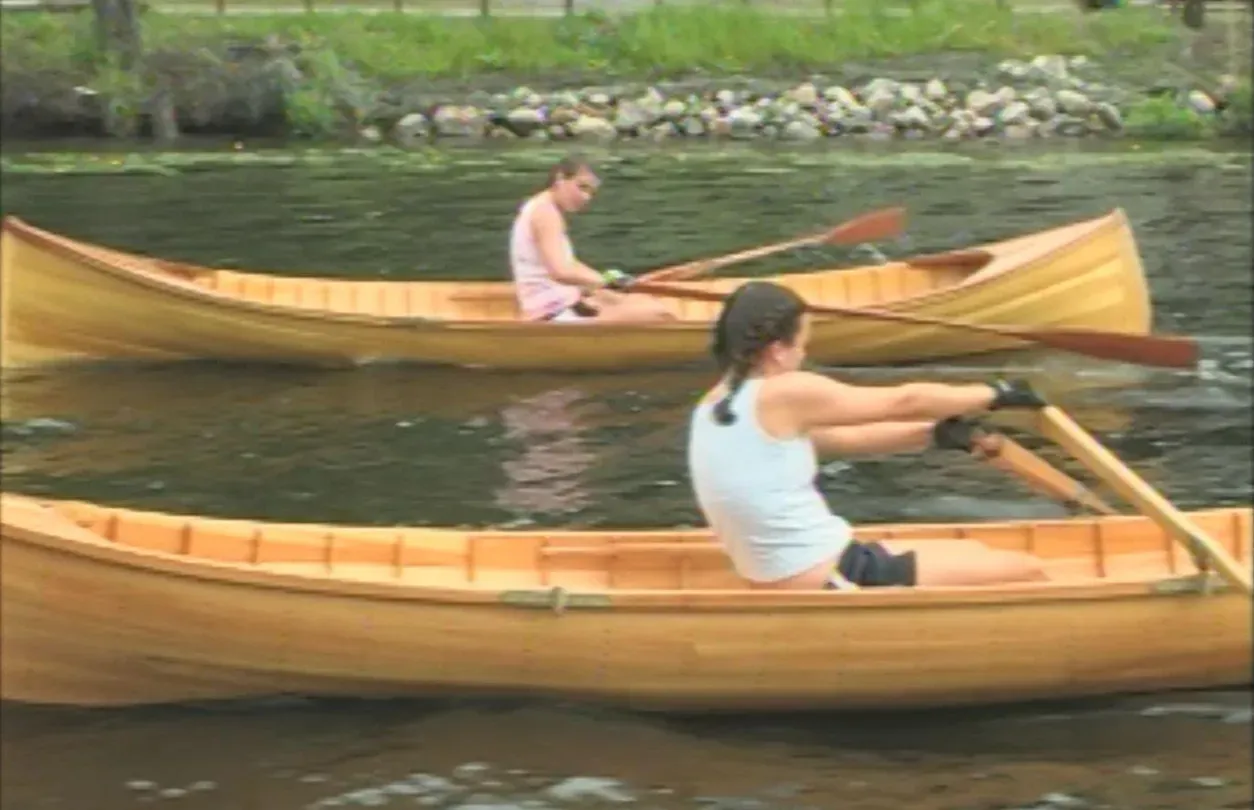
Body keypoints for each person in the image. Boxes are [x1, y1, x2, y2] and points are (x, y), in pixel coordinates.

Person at [686, 280, 1053, 591]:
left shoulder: (712, 407)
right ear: (777, 350)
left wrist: (933, 434)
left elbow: (845, 441)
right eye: (801, 343)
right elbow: (905, 400)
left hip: (811, 563)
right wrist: (996, 394)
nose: (804, 353)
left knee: (978, 553)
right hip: (830, 574)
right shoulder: (785, 393)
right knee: (1028, 571)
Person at [508, 154, 677, 324]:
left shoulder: (544, 206)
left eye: (590, 191)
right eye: (581, 187)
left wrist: (607, 281)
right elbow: (560, 272)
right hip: (551, 315)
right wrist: (603, 282)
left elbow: (570, 264)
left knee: (643, 301)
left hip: (567, 302)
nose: (586, 197)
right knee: (659, 315)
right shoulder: (545, 213)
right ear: (560, 178)